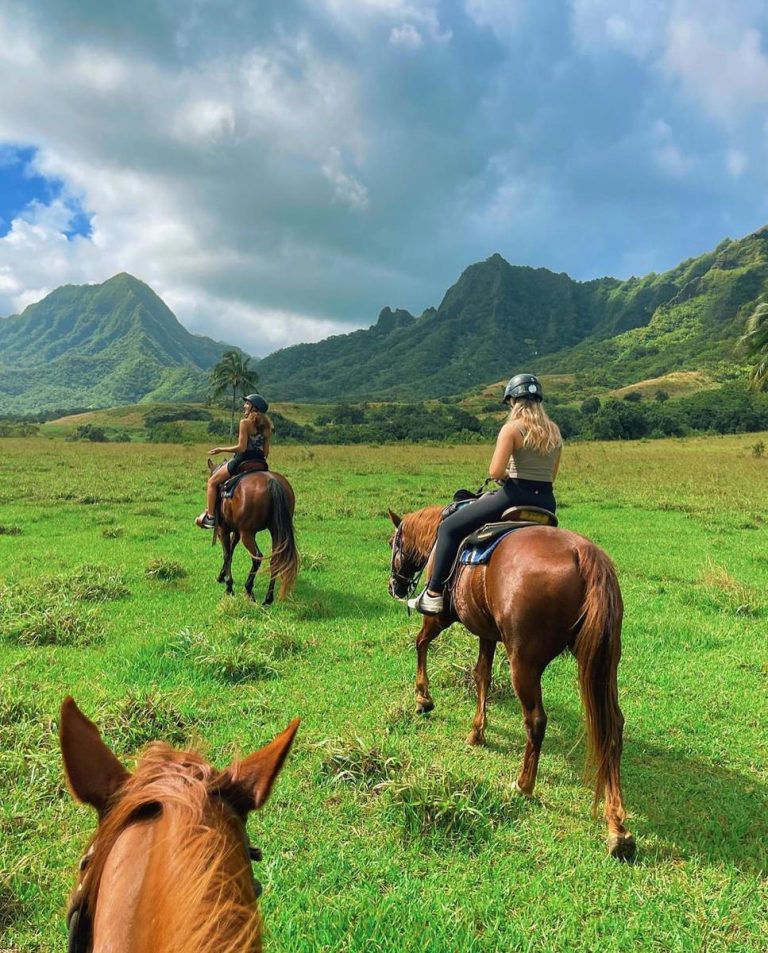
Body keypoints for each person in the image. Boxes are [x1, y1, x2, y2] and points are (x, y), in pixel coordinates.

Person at [408, 373, 562, 614]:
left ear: (513, 402)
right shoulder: (554, 432)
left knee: (448, 527)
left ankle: (434, 593)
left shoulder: (512, 429)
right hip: (545, 502)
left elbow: (495, 471)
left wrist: (507, 476)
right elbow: (551, 477)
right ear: (539, 401)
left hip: (513, 496)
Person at [195, 394, 273, 528]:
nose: (244, 406)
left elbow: (241, 448)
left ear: (254, 408)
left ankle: (210, 517)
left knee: (212, 482)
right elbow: (266, 452)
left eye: (247, 404)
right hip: (260, 462)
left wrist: (221, 449)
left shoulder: (245, 423)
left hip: (242, 460)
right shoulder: (267, 426)